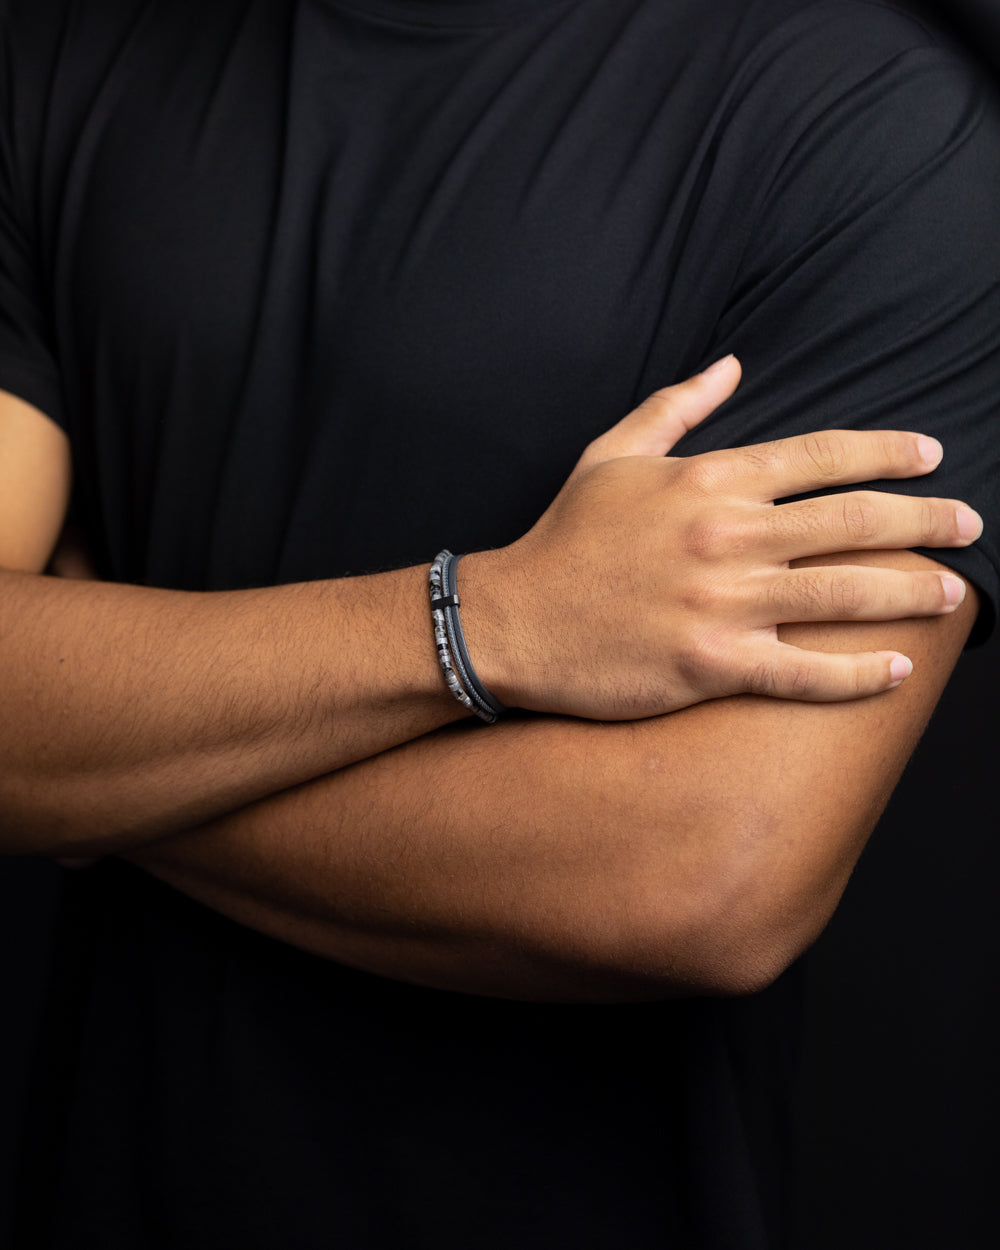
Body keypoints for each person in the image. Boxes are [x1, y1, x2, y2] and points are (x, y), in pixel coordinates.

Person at [1, 0, 997, 1246]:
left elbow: (701, 873)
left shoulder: (875, 122)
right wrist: (490, 618)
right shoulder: (58, 53)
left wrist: (83, 754)